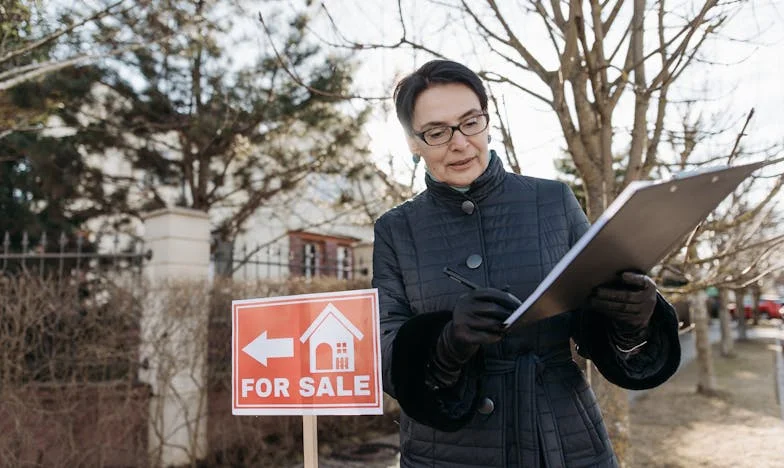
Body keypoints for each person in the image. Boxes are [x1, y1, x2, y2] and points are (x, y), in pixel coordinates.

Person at [372, 59, 681, 467]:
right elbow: (384, 346)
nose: (460, 143)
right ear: (413, 142)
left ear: (487, 122)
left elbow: (591, 319)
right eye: (436, 132)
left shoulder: (553, 202)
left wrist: (634, 318)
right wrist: (445, 344)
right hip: (444, 452)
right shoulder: (396, 229)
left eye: (470, 122)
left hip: (562, 440)